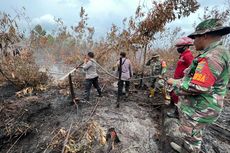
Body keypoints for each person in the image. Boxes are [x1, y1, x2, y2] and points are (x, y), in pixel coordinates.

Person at [167, 18, 230, 153]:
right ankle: (187, 148)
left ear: (205, 35)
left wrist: (174, 82)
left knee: (191, 132)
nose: (193, 41)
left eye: (195, 37)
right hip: (201, 105)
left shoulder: (212, 56)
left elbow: (199, 86)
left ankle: (189, 150)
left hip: (201, 107)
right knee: (193, 133)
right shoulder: (216, 53)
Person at [168, 37, 194, 118]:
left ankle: (177, 113)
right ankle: (171, 105)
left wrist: (184, 80)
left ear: (186, 46)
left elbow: (192, 69)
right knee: (173, 93)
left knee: (179, 96)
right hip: (177, 79)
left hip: (181, 80)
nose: (178, 48)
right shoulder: (182, 55)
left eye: (179, 47)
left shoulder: (188, 56)